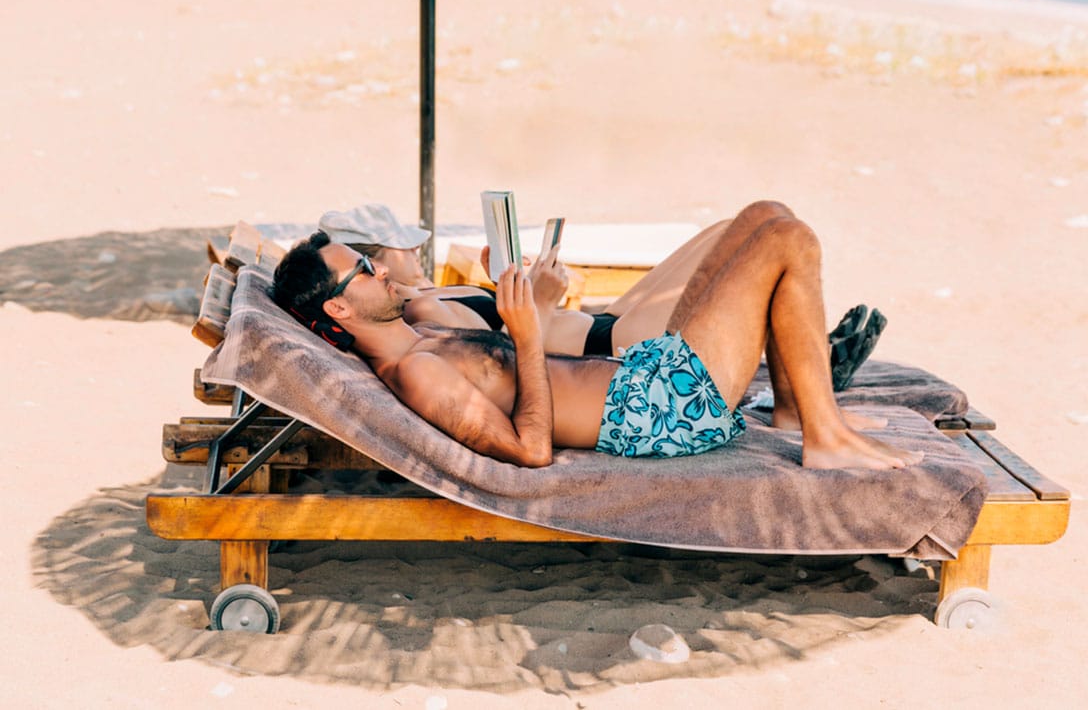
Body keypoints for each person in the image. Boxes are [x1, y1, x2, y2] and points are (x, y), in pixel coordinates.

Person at [271, 200, 921, 470]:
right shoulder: (414, 373)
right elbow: (529, 452)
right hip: (659, 408)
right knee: (786, 239)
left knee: (763, 216)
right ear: (340, 315)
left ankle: (794, 412)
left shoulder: (420, 339)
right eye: (360, 270)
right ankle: (825, 435)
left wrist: (531, 325)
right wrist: (528, 336)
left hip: (648, 373)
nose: (378, 266)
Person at [317, 204, 886, 388]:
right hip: (613, 343)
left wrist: (507, 282)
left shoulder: (427, 291)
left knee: (751, 219)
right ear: (378, 260)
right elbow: (499, 359)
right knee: (757, 253)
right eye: (396, 253)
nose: (414, 254)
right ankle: (806, 379)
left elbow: (495, 321)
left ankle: (803, 361)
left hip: (601, 320)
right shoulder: (415, 312)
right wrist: (533, 301)